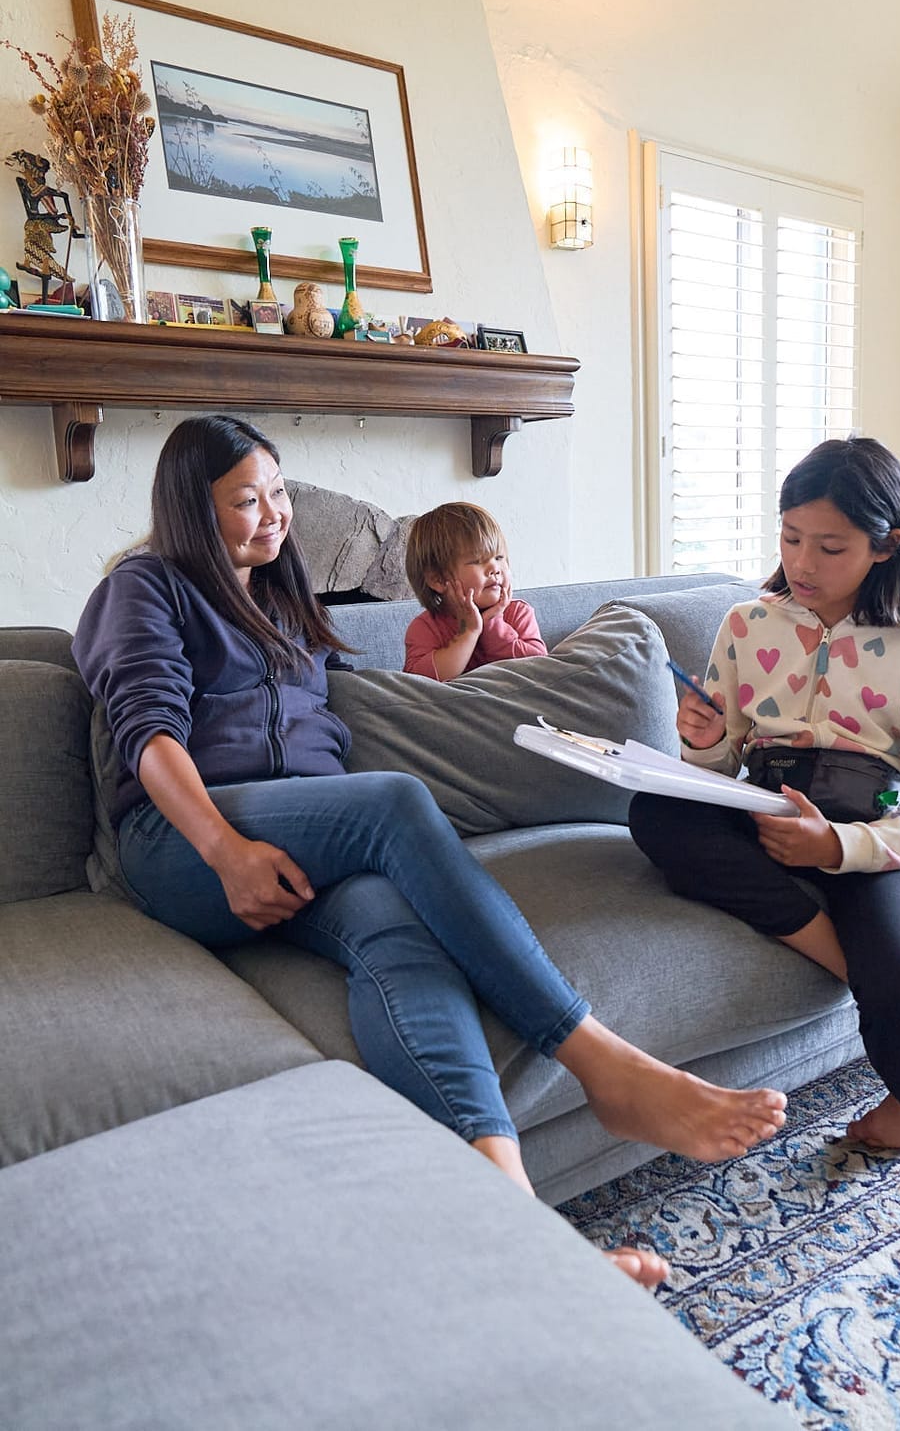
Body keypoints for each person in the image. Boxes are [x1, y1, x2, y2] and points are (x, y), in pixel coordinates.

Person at [72, 414, 787, 1286]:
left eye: (280, 491)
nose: (273, 514)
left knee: (396, 931)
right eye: (244, 500)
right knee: (394, 802)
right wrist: (223, 850)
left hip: (302, 836)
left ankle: (515, 1227)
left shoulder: (283, 600)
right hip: (185, 842)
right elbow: (149, 736)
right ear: (190, 508)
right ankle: (603, 1063)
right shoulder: (143, 588)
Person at [628, 435, 900, 1151]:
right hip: (762, 813)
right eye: (791, 537)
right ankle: (886, 971)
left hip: (867, 835)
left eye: (830, 547)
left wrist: (837, 844)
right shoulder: (745, 624)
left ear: (884, 546)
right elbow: (717, 769)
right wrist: (702, 739)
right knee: (658, 812)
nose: (802, 562)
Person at [403, 501, 546, 679]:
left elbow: (539, 669)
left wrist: (493, 624)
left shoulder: (518, 612)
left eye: (499, 557)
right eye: (477, 561)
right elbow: (419, 685)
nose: (495, 568)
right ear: (437, 579)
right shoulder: (425, 628)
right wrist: (468, 632)